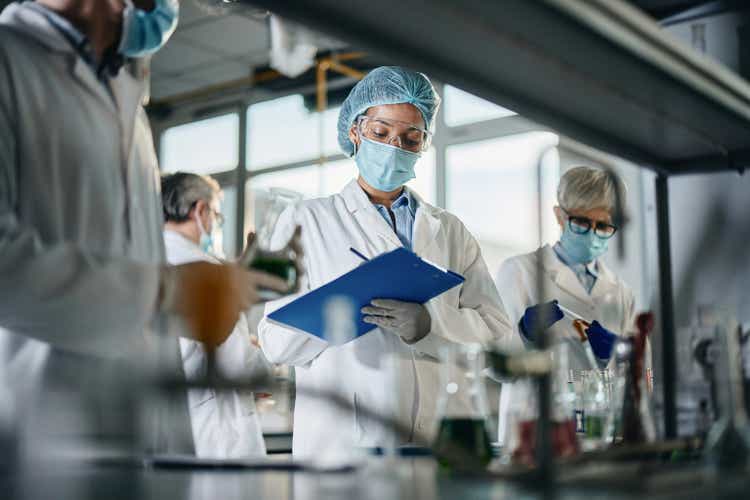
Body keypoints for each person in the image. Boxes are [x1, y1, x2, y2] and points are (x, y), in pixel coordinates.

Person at [0, 0, 288, 454]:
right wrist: (167, 293)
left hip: (148, 438)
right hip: (44, 437)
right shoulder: (10, 64)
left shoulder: (121, 89)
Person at [258, 66, 514, 458]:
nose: (394, 146)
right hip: (344, 448)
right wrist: (338, 307)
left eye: (410, 139)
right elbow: (274, 342)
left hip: (437, 442)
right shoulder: (303, 220)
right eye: (381, 133)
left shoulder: (449, 230)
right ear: (355, 132)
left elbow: (497, 333)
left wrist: (432, 325)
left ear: (423, 145)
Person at [494, 165, 645, 444]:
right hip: (534, 429)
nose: (592, 233)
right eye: (582, 223)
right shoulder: (520, 271)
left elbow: (639, 382)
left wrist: (615, 356)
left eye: (603, 226)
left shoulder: (621, 292)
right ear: (559, 216)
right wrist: (524, 333)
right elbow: (497, 366)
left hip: (599, 432)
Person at [162, 172, 275, 458]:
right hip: (217, 437)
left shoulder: (145, 263)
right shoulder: (206, 269)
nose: (215, 225)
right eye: (216, 215)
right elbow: (243, 367)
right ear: (200, 210)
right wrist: (262, 358)